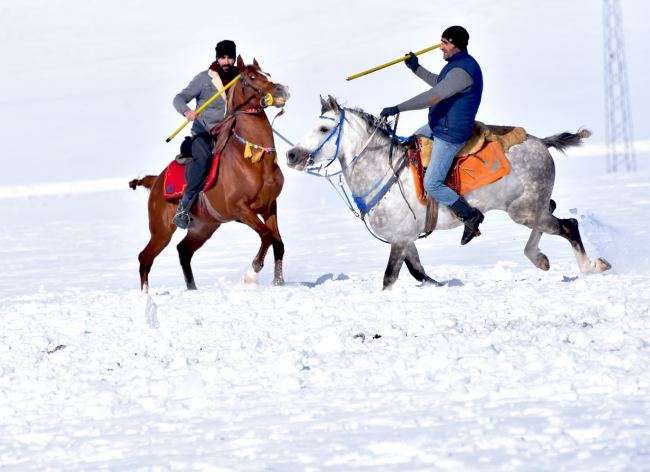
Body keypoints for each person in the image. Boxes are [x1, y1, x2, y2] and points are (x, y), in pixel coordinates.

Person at [380, 26, 484, 245]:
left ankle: (470, 216)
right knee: (408, 144)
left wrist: (397, 108)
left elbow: (433, 96)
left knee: (433, 183)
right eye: (441, 42)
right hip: (439, 125)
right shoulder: (456, 65)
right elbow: (440, 83)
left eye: (445, 43)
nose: (440, 47)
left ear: (456, 46)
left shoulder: (462, 72)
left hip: (450, 134)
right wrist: (416, 68)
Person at [171, 40, 240, 229]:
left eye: (229, 58)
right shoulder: (203, 79)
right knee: (203, 162)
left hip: (229, 133)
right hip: (204, 133)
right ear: (217, 58)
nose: (226, 62)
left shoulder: (240, 78)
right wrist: (186, 111)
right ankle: (183, 208)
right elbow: (179, 98)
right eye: (222, 57)